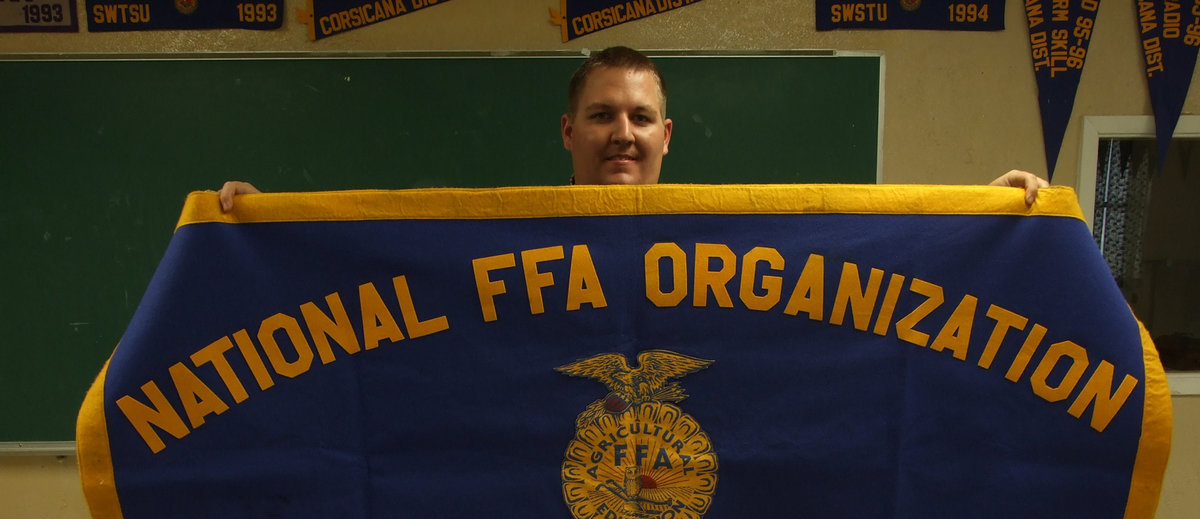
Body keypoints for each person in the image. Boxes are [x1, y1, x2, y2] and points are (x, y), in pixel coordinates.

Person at [219, 46, 1047, 210]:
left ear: (667, 136)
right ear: (568, 132)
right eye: (603, 115)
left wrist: (992, 217)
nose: (623, 131)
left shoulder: (731, 240)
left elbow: (876, 257)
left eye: (640, 117)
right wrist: (265, 233)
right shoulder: (487, 237)